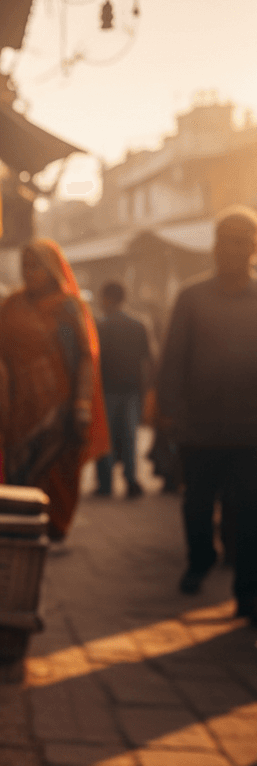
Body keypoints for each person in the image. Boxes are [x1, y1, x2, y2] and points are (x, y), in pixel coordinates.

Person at [156, 206, 257, 618]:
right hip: (198, 427)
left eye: (238, 241)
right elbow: (173, 358)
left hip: (250, 430)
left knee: (250, 512)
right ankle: (201, 559)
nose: (227, 249)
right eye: (221, 241)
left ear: (252, 248)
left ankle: (247, 592)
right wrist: (167, 410)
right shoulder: (192, 296)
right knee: (196, 505)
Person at [0, 239, 109, 541]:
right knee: (22, 466)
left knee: (58, 469)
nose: (29, 273)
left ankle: (55, 527)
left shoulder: (69, 306)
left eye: (36, 267)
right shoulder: (12, 305)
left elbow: (84, 355)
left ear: (52, 269)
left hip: (61, 405)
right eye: (24, 266)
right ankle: (23, 525)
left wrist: (82, 403)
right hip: (19, 407)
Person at [95, 281, 152, 498]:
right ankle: (130, 479)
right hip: (131, 391)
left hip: (106, 391)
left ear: (108, 299)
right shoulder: (139, 325)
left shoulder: (101, 326)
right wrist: (146, 391)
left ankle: (105, 484)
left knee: (105, 438)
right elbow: (148, 361)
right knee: (129, 438)